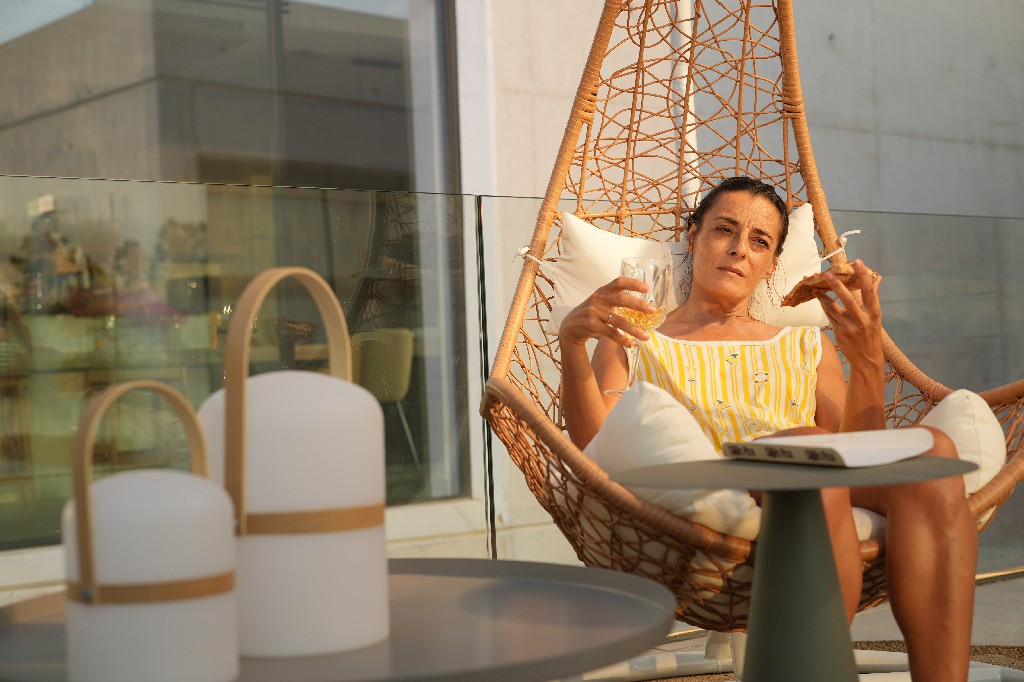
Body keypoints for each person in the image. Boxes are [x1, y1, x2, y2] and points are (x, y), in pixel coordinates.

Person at [558, 176, 978, 682]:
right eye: (724, 230)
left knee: (934, 452)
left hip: (818, 478)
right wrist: (571, 346)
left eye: (759, 241)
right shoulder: (634, 336)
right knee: (808, 444)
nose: (739, 249)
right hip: (723, 485)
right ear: (692, 237)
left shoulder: (807, 344)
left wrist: (868, 361)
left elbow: (861, 452)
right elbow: (595, 448)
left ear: (773, 265)